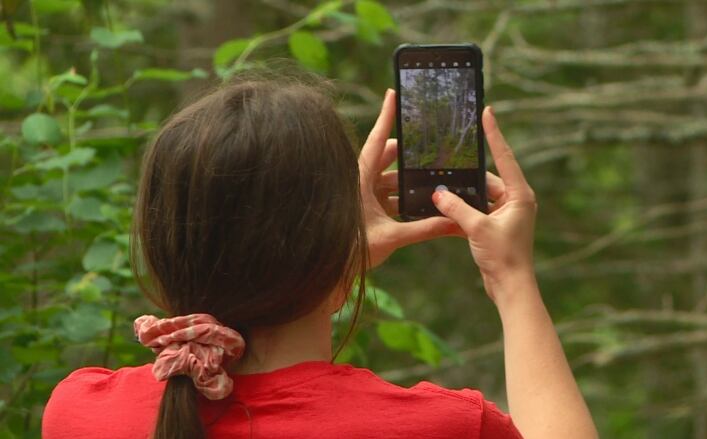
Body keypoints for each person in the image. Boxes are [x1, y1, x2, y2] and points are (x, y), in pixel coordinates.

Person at [42, 76, 598, 439]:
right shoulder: (436, 427)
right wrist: (512, 278)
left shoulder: (78, 413)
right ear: (333, 246)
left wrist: (326, 260)